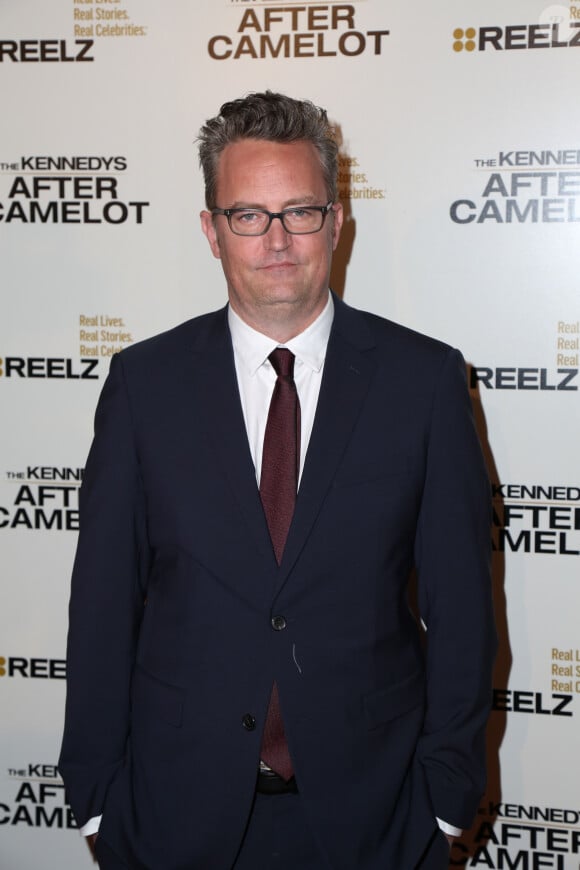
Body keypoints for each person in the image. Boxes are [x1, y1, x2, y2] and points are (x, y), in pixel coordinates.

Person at [59, 91, 496, 870]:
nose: (277, 240)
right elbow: (102, 603)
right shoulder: (143, 385)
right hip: (172, 815)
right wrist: (96, 795)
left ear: (336, 220)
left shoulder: (423, 381)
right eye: (247, 216)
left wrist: (446, 796)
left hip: (379, 817)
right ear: (211, 230)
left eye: (299, 211)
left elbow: (462, 609)